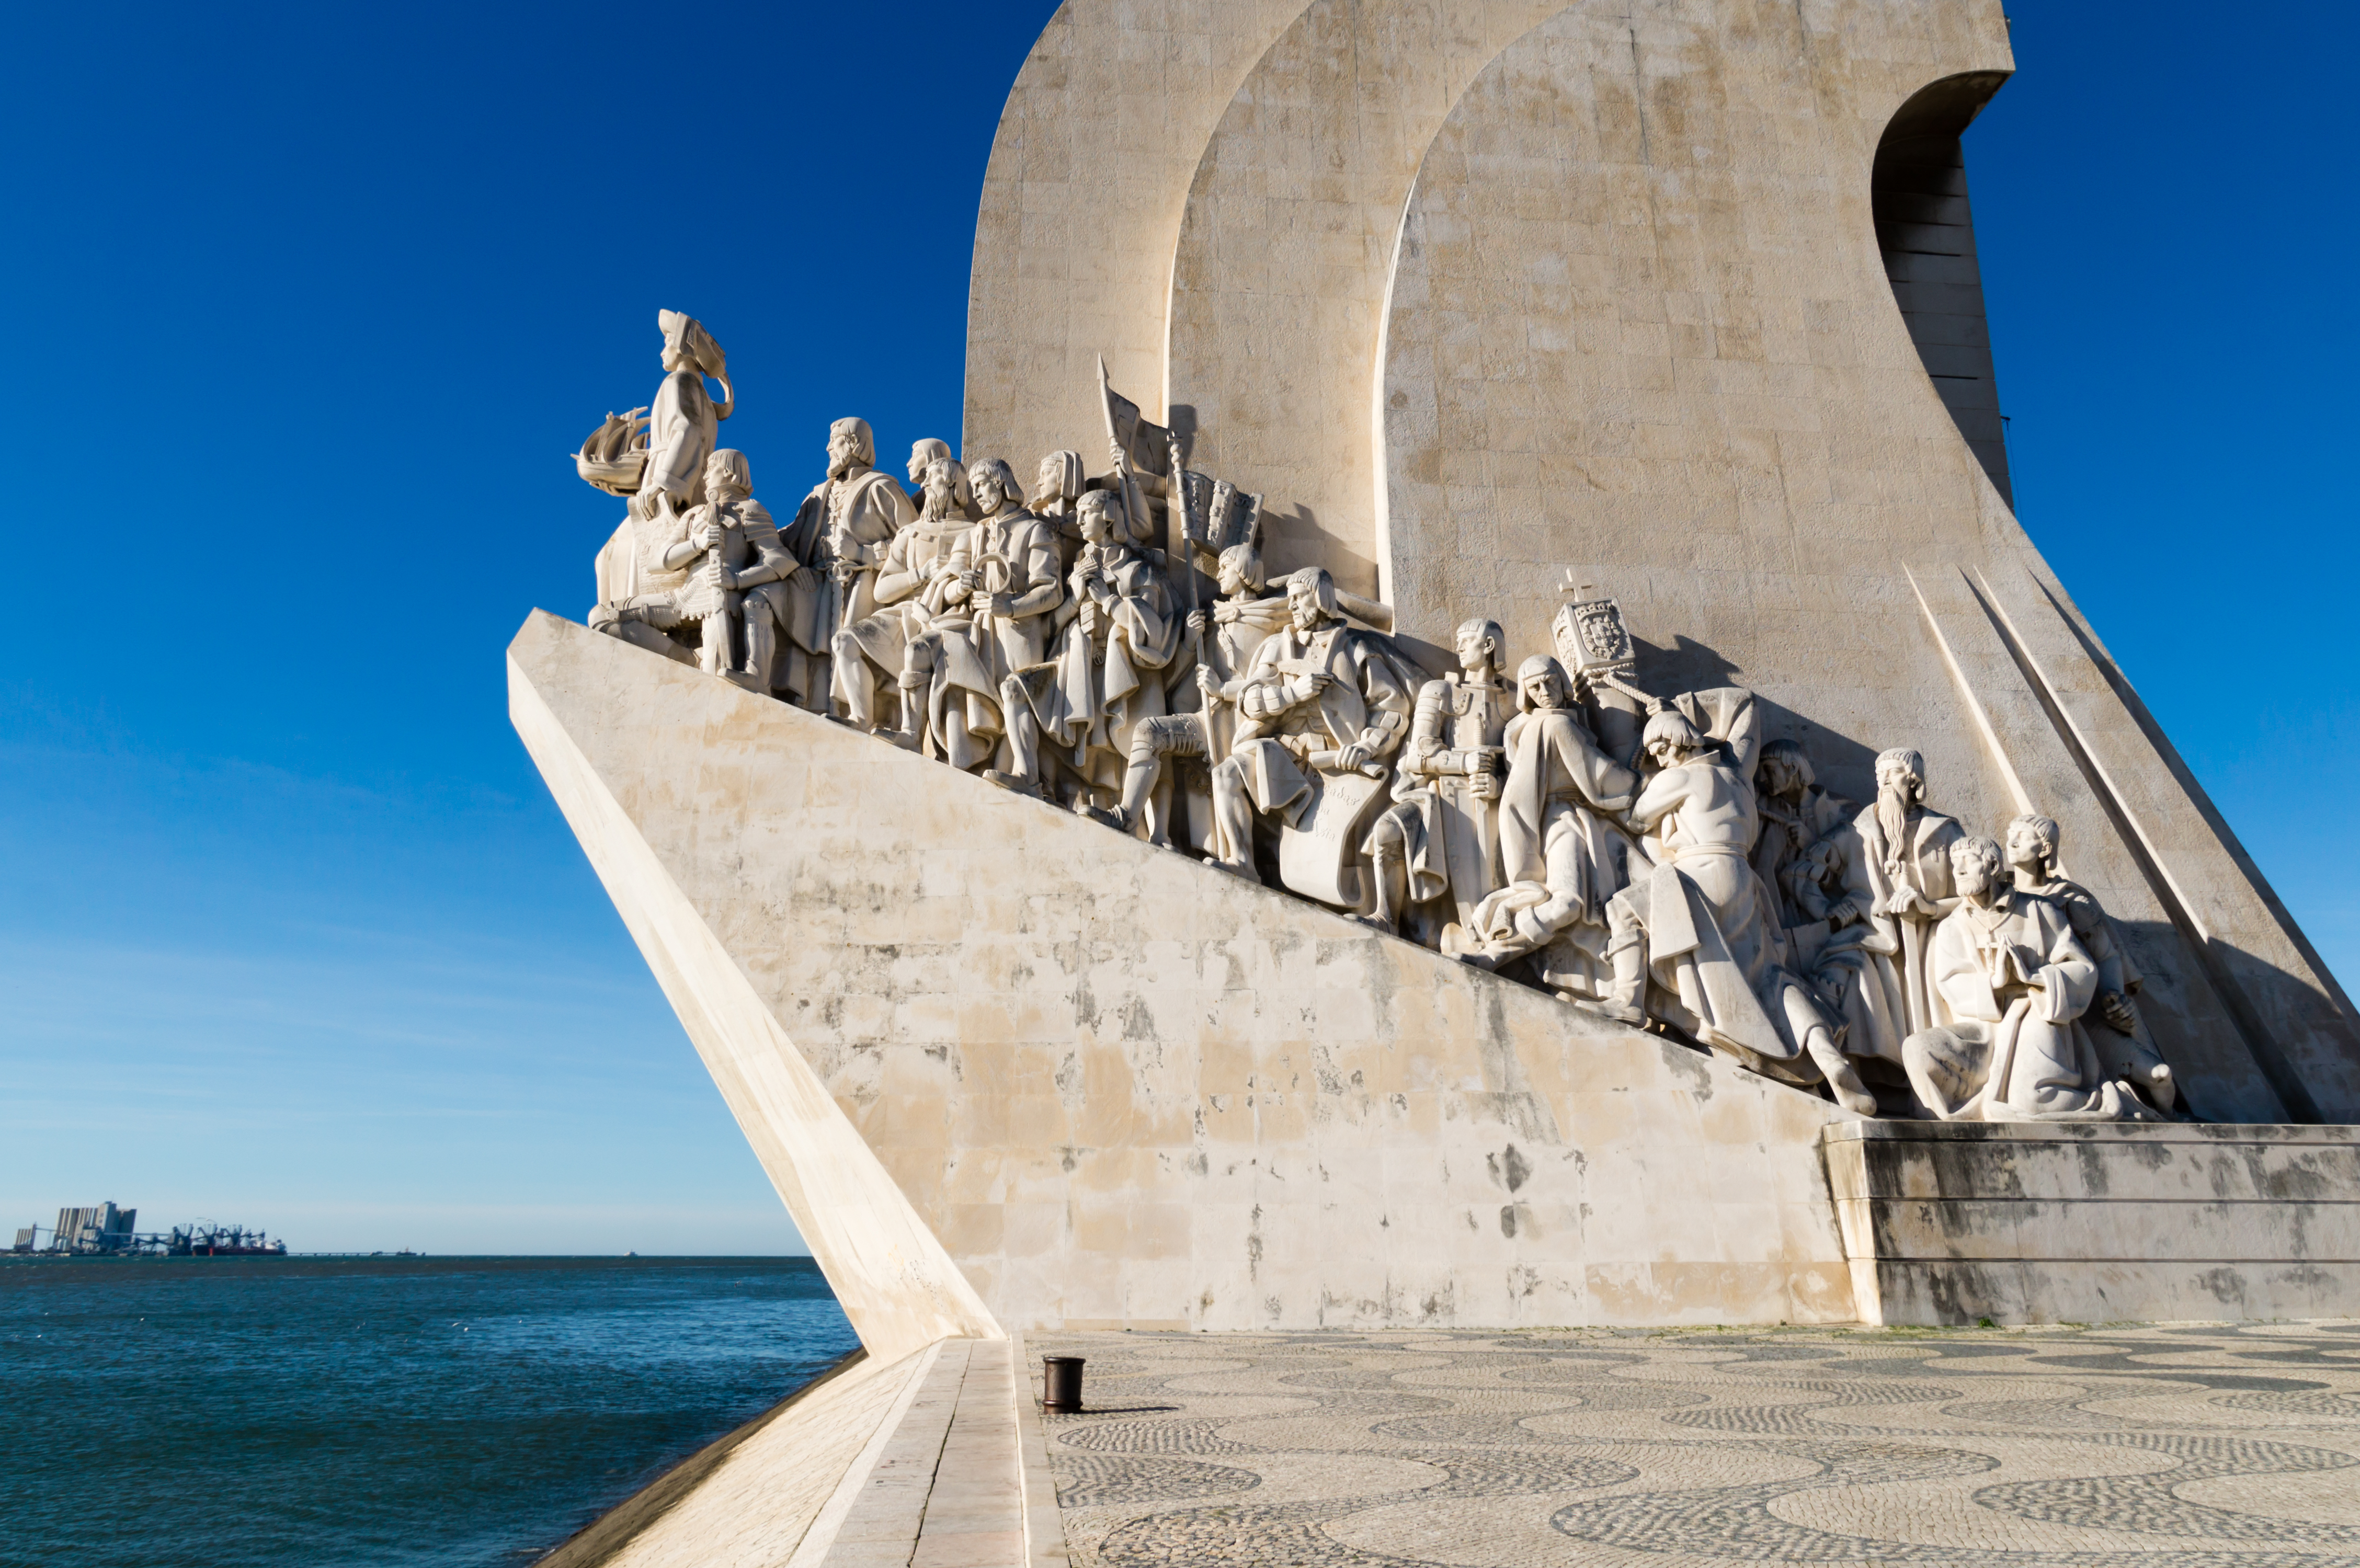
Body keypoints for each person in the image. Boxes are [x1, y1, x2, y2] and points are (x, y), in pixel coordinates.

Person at [1600, 709, 1873, 1113]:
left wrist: (1637, 768)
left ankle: (1628, 1000)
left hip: (1701, 872)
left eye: (1660, 747)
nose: (1659, 757)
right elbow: (1744, 708)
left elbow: (1637, 817)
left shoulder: (1680, 777)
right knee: (1768, 978)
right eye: (1654, 751)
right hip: (1745, 882)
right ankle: (1828, 1056)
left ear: (1680, 742)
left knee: (1622, 908)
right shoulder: (1737, 780)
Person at [1903, 835, 2158, 1122]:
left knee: (2035, 1100)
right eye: (1954, 863)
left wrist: (2032, 977)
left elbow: (2082, 969)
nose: (1958, 870)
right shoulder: (1953, 926)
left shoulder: (2039, 910)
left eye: (1968, 861)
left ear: (1993, 866)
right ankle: (1954, 1130)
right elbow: (1951, 983)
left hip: (2035, 1013)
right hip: (1985, 1029)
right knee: (1917, 1050)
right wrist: (1994, 983)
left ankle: (2097, 1100)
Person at [1206, 567, 1416, 884]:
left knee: (1326, 868)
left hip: (1336, 761)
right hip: (1283, 753)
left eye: (1299, 597)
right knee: (1226, 773)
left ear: (1320, 598)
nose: (1291, 606)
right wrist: (1292, 693)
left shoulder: (1356, 648)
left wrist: (1366, 746)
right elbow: (1250, 699)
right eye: (1288, 598)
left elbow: (1391, 708)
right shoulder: (1279, 645)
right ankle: (1242, 861)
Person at [1450, 656, 1643, 995]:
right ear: (1525, 691)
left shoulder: (1530, 727)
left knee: (1591, 904)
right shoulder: (1557, 725)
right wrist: (1643, 781)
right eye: (1535, 686)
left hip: (1571, 823)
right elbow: (1602, 779)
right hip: (1564, 821)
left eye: (1550, 681)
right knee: (1569, 902)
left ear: (1563, 681)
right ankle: (1494, 953)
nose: (1544, 691)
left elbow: (1520, 780)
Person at [1096, 540, 1291, 846]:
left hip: (1245, 723)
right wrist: (1189, 640)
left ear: (1244, 571)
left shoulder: (1270, 622)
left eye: (1226, 567)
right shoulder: (1215, 618)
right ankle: (1126, 816)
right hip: (1208, 718)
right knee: (1149, 731)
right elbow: (1180, 678)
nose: (1220, 574)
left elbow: (1273, 684)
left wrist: (1223, 690)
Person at [995, 487, 1181, 804]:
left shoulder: (1141, 571)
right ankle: (1029, 779)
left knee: (1146, 746)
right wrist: (1074, 598)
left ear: (1108, 517)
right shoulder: (1077, 571)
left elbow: (1153, 632)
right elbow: (1051, 630)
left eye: (1085, 513)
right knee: (1014, 688)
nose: (1077, 519)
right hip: (1074, 669)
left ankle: (1158, 830)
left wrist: (1108, 601)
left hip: (1123, 672)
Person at [897, 457, 1064, 771]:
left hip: (1018, 630)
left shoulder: (1035, 530)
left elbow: (1051, 590)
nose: (975, 495)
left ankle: (1025, 775)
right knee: (942, 667)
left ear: (1000, 482)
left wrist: (1012, 606)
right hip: (978, 629)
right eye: (972, 487)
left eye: (981, 485)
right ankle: (915, 735)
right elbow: (948, 591)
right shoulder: (974, 536)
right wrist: (959, 587)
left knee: (1016, 697)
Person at [2005, 813, 2177, 1114]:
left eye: (2024, 836)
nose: (2013, 842)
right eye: (2011, 835)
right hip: (2037, 1017)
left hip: (2087, 1019)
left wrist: (2114, 999)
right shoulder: (2002, 898)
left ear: (2045, 849)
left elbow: (2106, 955)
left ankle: (2170, 1120)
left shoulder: (2069, 899)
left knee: (2159, 1076)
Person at [782, 418, 917, 716]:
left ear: (854, 444)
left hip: (860, 585)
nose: (829, 447)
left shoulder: (881, 487)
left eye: (836, 440)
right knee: (817, 657)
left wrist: (864, 553)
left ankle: (858, 715)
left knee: (848, 648)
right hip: (817, 586)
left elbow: (913, 543)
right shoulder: (819, 494)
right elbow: (786, 538)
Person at [831, 457, 972, 736]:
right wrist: (919, 574)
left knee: (917, 652)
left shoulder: (974, 532)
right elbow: (882, 591)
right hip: (905, 613)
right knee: (845, 641)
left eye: (932, 477)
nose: (925, 484)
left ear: (952, 482)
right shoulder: (911, 533)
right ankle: (861, 718)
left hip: (950, 617)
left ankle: (911, 733)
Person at [1846, 748, 1965, 1039]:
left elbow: (1974, 896)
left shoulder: (1946, 831)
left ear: (1914, 780)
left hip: (1931, 936)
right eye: (1880, 775)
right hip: (1878, 937)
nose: (1885, 781)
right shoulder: (1856, 831)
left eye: (1894, 773)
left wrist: (1927, 907)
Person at [1752, 739, 1854, 927]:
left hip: (1826, 918)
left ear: (1792, 768)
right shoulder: (1761, 810)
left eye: (1769, 770)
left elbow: (1857, 872)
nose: (1763, 779)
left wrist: (1812, 843)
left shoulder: (1841, 811)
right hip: (1775, 918)